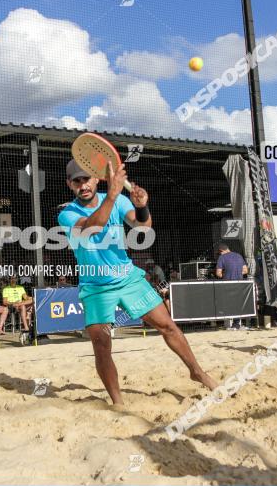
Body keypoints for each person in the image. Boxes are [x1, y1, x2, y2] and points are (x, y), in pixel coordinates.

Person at [58, 158, 217, 405]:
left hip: (129, 279)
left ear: (96, 179)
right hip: (96, 287)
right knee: (101, 345)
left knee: (168, 326)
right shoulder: (67, 214)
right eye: (77, 181)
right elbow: (94, 227)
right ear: (69, 184)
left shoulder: (120, 200)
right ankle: (118, 402)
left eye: (86, 179)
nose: (83, 185)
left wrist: (142, 207)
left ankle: (197, 372)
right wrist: (112, 194)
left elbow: (143, 227)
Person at [215, 244, 248, 330]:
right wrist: (237, 274)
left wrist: (226, 275)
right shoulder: (239, 256)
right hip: (239, 283)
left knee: (228, 303)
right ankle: (237, 323)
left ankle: (230, 323)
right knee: (237, 303)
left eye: (219, 253)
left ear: (221, 251)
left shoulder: (222, 258)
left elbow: (218, 273)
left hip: (228, 283)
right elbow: (245, 270)